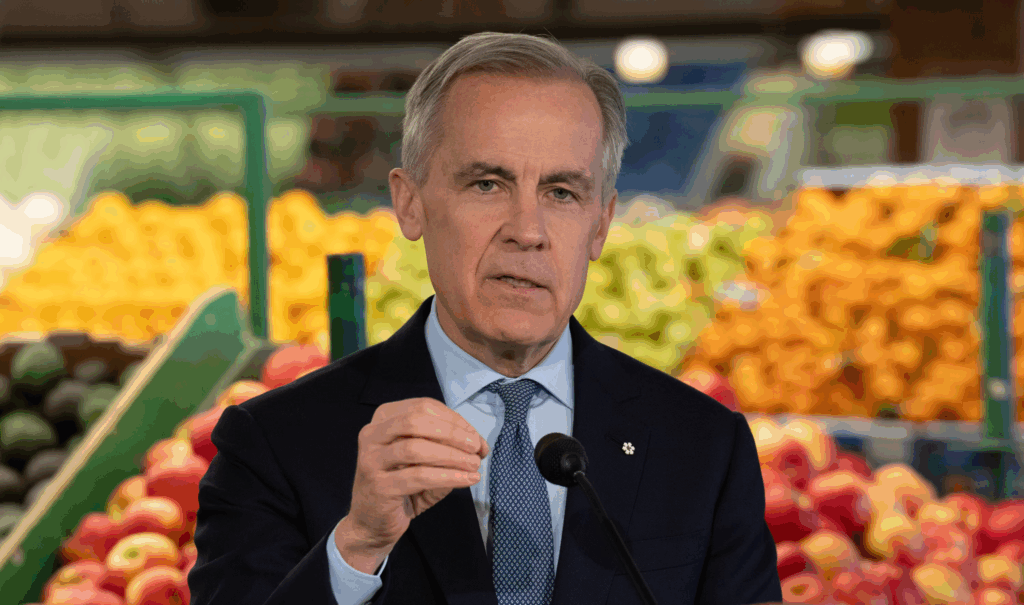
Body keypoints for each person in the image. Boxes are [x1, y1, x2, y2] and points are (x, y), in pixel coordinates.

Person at [189, 31, 783, 605]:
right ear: (409, 203)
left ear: (600, 225)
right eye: (487, 184)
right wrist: (357, 547)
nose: (527, 232)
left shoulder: (704, 446)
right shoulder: (269, 444)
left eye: (561, 193)